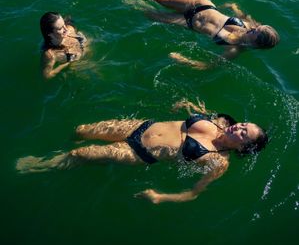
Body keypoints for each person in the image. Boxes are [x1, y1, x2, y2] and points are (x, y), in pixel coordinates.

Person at [16, 99, 268, 204]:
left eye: (244, 133)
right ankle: (60, 149)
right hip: (140, 126)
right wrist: (187, 106)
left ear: (244, 147)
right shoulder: (220, 123)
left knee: (80, 155)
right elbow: (195, 109)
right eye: (244, 125)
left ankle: (40, 164)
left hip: (138, 152)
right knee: (81, 130)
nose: (240, 127)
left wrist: (160, 196)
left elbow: (192, 193)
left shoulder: (218, 162)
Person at [109, 0, 279, 68]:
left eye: (256, 32)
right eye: (258, 27)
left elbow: (208, 65)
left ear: (256, 43)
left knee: (148, 14)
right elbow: (243, 15)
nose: (254, 28)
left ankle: (129, 2)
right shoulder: (248, 24)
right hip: (201, 5)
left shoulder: (234, 49)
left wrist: (184, 60)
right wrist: (233, 7)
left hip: (188, 23)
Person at [40, 12, 88, 79]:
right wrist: (67, 64)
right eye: (60, 28)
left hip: (88, 59)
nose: (66, 29)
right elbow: (47, 75)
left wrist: (85, 48)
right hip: (76, 70)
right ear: (49, 33)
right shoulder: (50, 54)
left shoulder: (70, 29)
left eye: (64, 24)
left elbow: (86, 41)